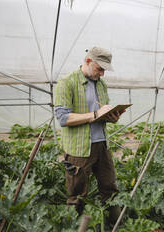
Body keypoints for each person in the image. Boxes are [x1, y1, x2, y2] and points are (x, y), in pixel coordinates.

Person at [54, 46, 124, 227]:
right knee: (77, 196)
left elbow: (101, 112)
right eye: (99, 68)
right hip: (79, 149)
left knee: (110, 190)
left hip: (102, 144)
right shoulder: (66, 83)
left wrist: (112, 117)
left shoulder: (101, 84)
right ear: (87, 61)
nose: (102, 74)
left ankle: (117, 227)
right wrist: (94, 115)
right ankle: (72, 228)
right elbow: (63, 118)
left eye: (104, 70)